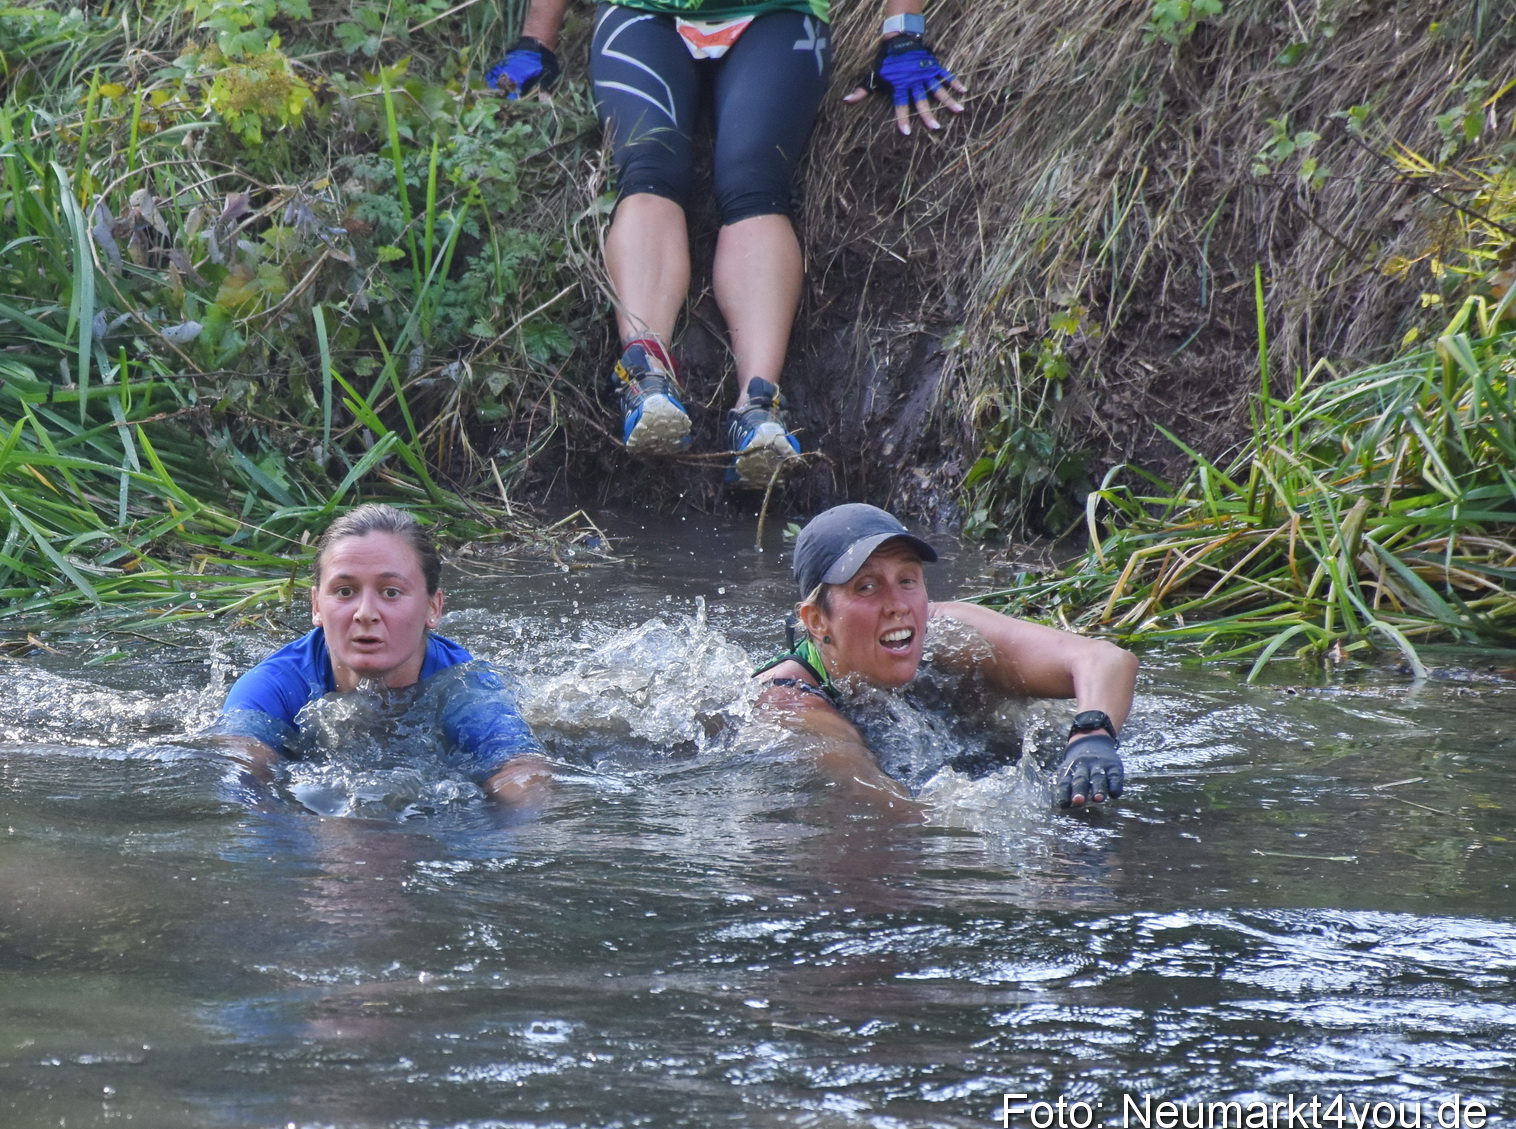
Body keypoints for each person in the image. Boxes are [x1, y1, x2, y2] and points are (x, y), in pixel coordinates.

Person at [485, 0, 967, 488]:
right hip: (643, 12)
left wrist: (902, 30)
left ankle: (758, 406)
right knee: (649, 167)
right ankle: (645, 376)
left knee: (755, 180)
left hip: (776, 13)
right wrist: (535, 42)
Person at [754, 503, 1138, 811]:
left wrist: (1092, 734)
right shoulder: (790, 701)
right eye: (866, 586)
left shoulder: (949, 632)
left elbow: (1105, 659)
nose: (898, 606)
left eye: (907, 580)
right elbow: (879, 803)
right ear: (817, 620)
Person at [212, 504, 553, 804]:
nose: (365, 613)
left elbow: (521, 770)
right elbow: (239, 776)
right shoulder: (273, 688)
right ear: (316, 606)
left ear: (433, 607)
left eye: (391, 592)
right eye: (345, 591)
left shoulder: (466, 687)